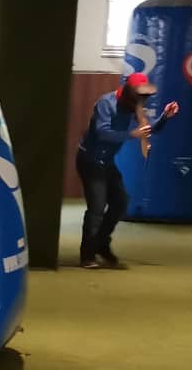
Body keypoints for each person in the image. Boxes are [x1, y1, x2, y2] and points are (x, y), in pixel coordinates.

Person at [76, 71, 179, 269]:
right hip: (89, 160)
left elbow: (147, 129)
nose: (142, 101)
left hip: (106, 162)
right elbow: (102, 132)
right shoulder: (106, 103)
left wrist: (165, 117)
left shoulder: (135, 106)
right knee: (97, 208)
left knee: (120, 202)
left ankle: (101, 244)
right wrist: (132, 134)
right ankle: (87, 255)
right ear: (128, 93)